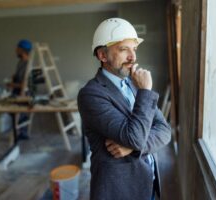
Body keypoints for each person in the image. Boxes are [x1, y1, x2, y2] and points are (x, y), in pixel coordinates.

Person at [77, 18, 171, 200]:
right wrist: (145, 91)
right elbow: (134, 137)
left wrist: (134, 149)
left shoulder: (134, 84)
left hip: (148, 184)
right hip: (119, 192)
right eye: (123, 49)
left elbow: (164, 130)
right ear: (102, 56)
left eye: (134, 49)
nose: (133, 57)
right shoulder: (91, 95)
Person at [7, 39, 32, 140]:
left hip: (24, 93)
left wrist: (12, 84)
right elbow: (18, 77)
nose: (16, 51)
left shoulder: (27, 65)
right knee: (16, 113)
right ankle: (22, 132)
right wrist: (14, 78)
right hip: (17, 91)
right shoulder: (20, 62)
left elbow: (24, 84)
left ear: (23, 50)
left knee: (21, 113)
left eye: (17, 49)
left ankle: (22, 133)